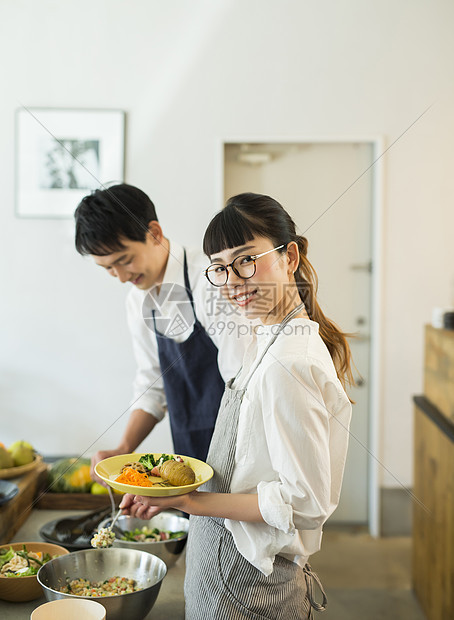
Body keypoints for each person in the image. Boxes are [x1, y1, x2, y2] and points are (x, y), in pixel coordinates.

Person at [120, 192, 354, 618]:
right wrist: (172, 491)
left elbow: (305, 503)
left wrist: (189, 504)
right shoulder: (264, 336)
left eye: (247, 260)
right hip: (224, 570)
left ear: (290, 257)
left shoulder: (289, 361)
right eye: (220, 268)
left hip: (246, 589)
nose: (233, 281)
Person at [74, 183, 249, 475]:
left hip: (241, 446)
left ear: (154, 233)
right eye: (107, 268)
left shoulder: (208, 278)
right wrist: (123, 448)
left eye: (124, 260)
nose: (120, 277)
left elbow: (242, 376)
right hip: (190, 449)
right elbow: (153, 384)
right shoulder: (137, 300)